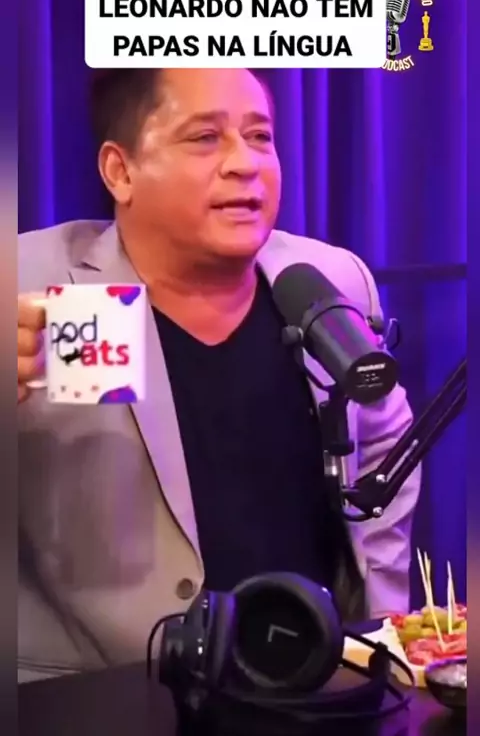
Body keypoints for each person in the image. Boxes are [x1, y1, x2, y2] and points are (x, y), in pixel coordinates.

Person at [17, 67, 420, 682]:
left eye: (260, 137)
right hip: (103, 690)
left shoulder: (325, 279)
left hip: (315, 681)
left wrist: (380, 633)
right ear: (120, 171)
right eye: (205, 138)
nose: (244, 164)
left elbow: (388, 446)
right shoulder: (42, 287)